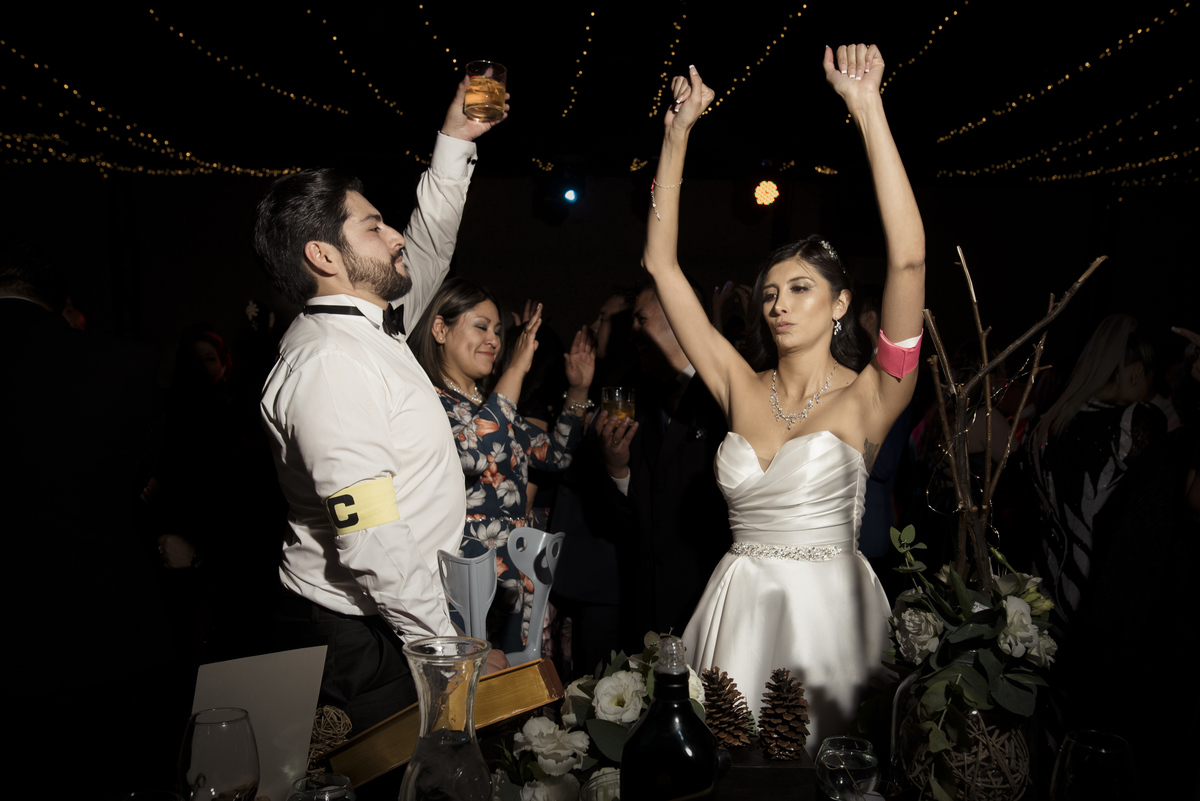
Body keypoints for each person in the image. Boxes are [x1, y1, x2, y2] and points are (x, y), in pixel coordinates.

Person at [642, 46, 926, 749]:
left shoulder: (875, 394)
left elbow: (909, 258)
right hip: (734, 610)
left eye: (800, 288)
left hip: (829, 621)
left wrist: (868, 109)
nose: (779, 303)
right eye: (770, 292)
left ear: (841, 303)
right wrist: (676, 136)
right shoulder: (738, 383)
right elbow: (659, 264)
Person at [255, 79, 508, 730]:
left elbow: (430, 242)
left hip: (399, 612)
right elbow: (370, 534)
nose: (394, 235)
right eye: (373, 226)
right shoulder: (330, 364)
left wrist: (453, 143)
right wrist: (444, 648)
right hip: (362, 636)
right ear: (322, 255)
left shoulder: (371, 323)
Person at [408, 278, 594, 654]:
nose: (494, 339)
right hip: (468, 575)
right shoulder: (427, 401)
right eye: (480, 326)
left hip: (516, 573)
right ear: (440, 330)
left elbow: (556, 456)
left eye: (497, 330)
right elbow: (473, 455)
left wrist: (577, 392)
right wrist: (516, 371)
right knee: (472, 695)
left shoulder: (493, 406)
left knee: (515, 696)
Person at [592, 284, 732, 651]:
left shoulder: (727, 390)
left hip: (708, 599)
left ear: (679, 318)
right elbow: (624, 517)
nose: (632, 331)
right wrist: (617, 466)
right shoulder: (632, 391)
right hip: (645, 603)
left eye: (641, 320)